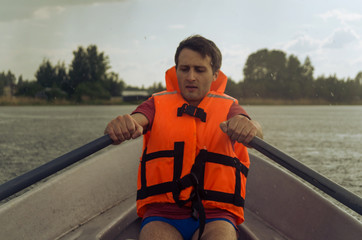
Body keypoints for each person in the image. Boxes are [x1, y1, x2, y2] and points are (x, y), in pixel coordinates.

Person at [105, 35, 263, 240]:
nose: (190, 77)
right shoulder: (155, 104)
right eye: (184, 68)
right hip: (162, 215)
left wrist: (250, 127)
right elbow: (137, 120)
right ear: (176, 70)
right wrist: (123, 124)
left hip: (216, 216)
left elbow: (256, 130)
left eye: (199, 70)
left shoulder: (229, 107)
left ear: (215, 74)